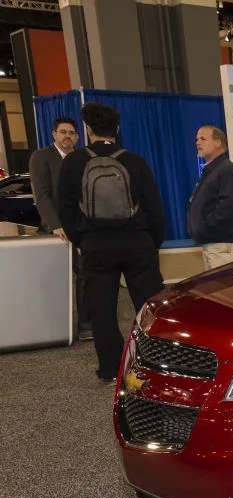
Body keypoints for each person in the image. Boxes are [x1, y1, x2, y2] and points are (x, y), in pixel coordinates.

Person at [57, 101, 165, 385]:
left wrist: (81, 239)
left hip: (96, 245)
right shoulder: (135, 161)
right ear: (116, 129)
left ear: (88, 129)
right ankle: (155, 362)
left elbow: (65, 208)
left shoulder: (74, 162)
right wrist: (154, 242)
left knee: (102, 311)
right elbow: (155, 207)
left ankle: (111, 368)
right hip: (137, 242)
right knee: (149, 308)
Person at [29, 116, 92, 341]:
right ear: (54, 134)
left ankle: (85, 324)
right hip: (56, 230)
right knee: (56, 279)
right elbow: (41, 194)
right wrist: (55, 225)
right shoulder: (41, 157)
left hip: (81, 226)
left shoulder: (82, 158)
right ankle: (53, 327)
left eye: (71, 133)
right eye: (63, 132)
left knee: (85, 274)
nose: (67, 136)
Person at [189, 126, 233, 268]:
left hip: (224, 248)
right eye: (196, 139)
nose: (197, 142)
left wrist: (205, 227)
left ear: (218, 142)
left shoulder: (227, 170)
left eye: (203, 138)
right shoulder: (213, 170)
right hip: (216, 245)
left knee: (227, 289)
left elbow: (231, 206)